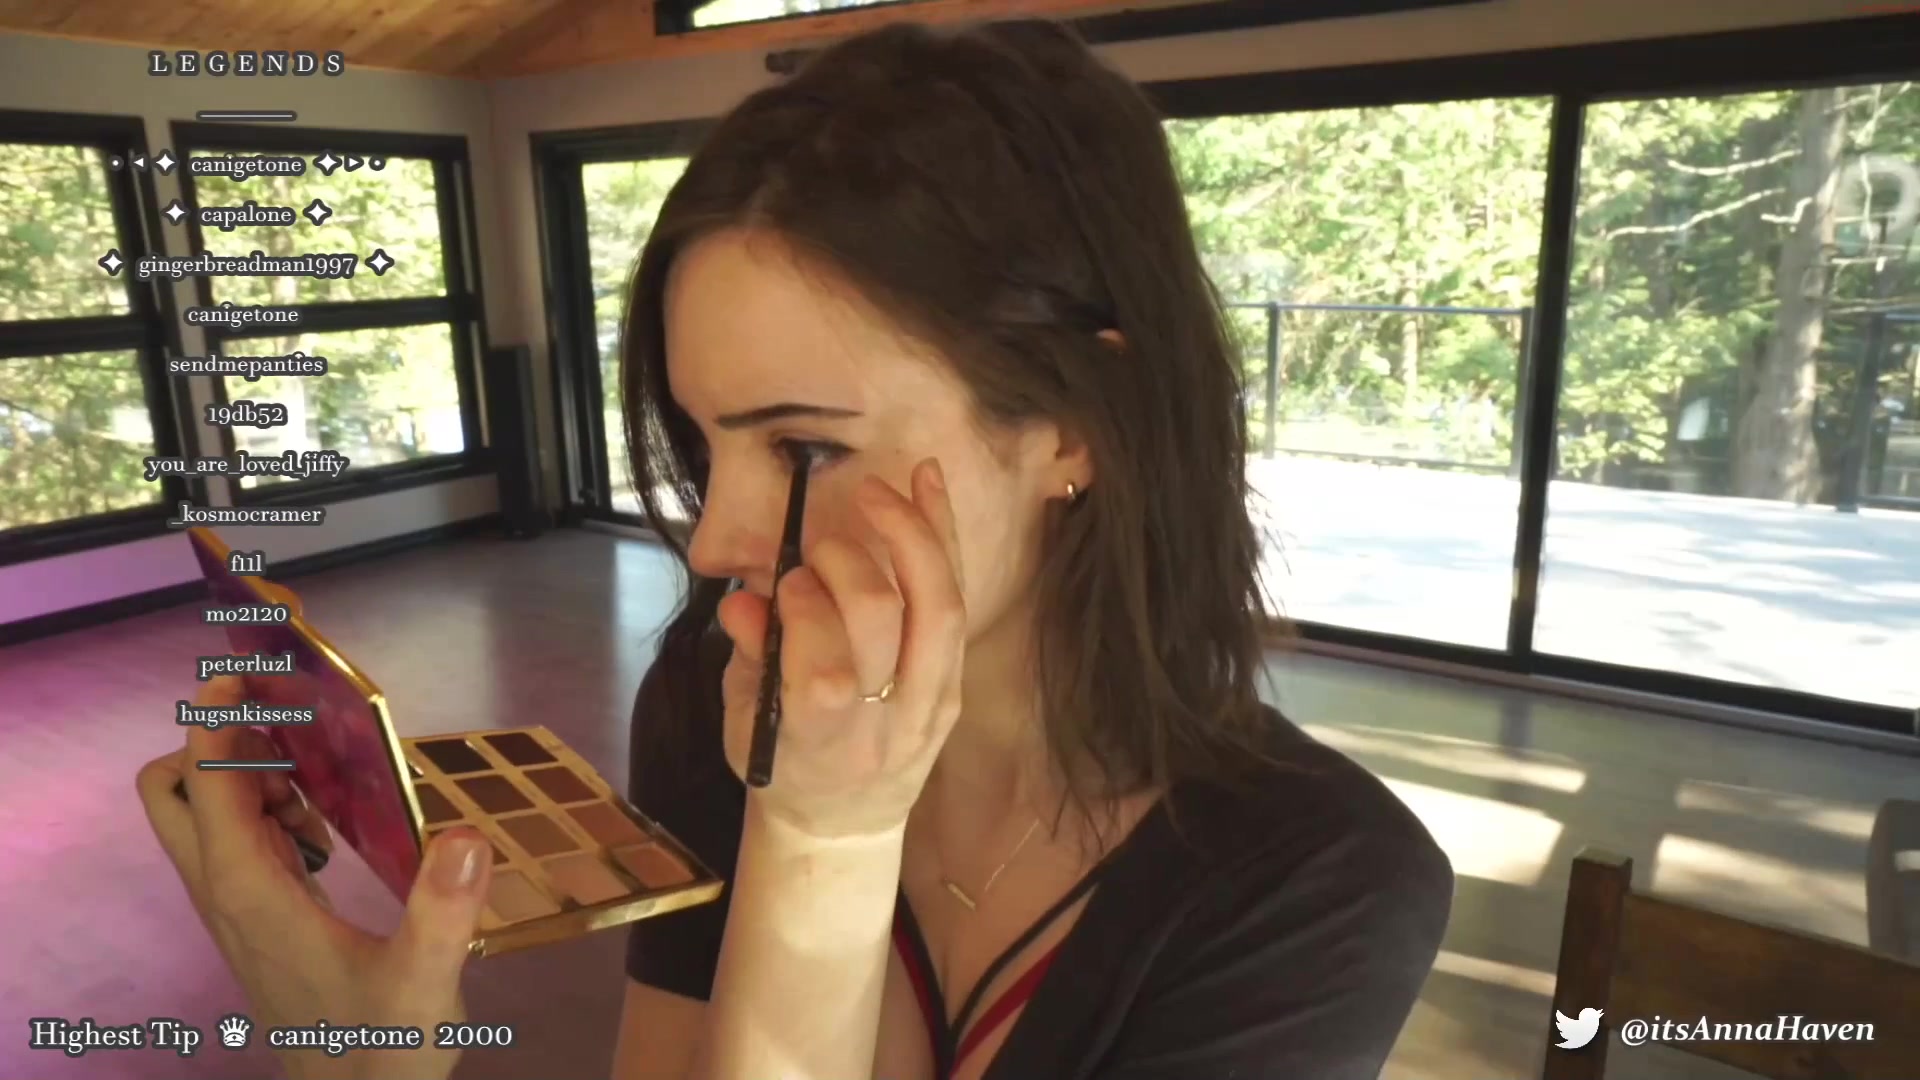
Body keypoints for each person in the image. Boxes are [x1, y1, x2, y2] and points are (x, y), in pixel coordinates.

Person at [138, 17, 1452, 1080]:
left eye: (806, 449)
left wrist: (824, 841)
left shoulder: (1319, 885)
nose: (717, 541)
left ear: (1076, 424)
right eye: (705, 445)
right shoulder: (717, 700)